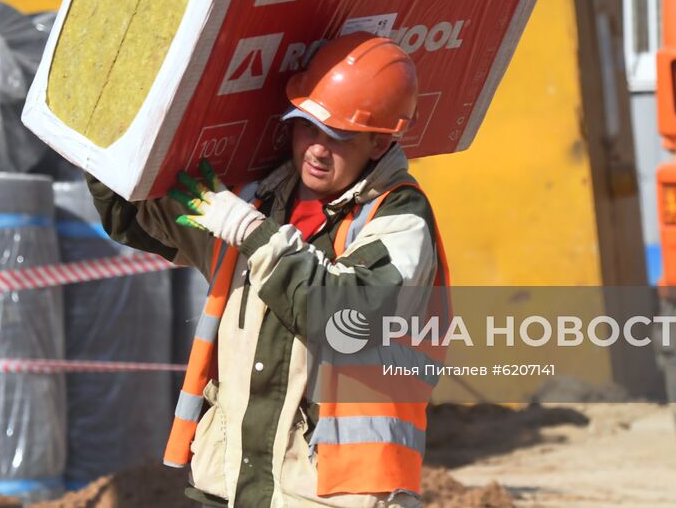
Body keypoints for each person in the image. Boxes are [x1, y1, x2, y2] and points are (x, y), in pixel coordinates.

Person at [90, 32, 447, 507]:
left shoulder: (400, 217)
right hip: (231, 482)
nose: (317, 149)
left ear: (379, 144)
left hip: (334, 492)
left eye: (338, 136)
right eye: (307, 127)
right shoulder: (259, 199)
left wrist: (253, 233)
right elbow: (132, 214)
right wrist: (104, 131)